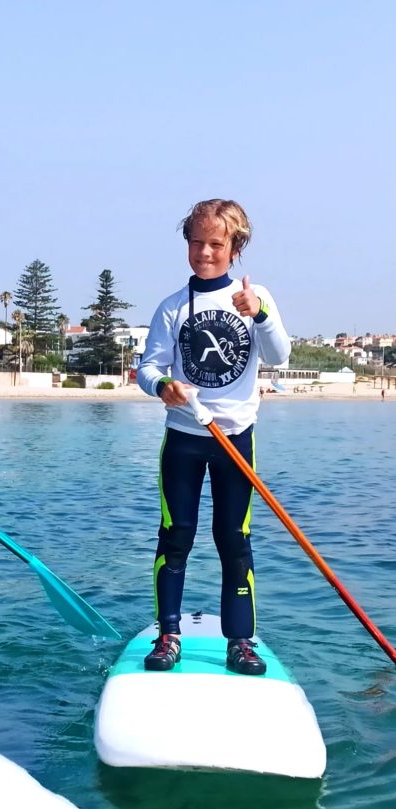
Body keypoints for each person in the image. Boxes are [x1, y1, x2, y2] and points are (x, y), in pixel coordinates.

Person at [137, 199, 291, 676]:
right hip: (184, 437)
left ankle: (240, 642)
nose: (205, 252)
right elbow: (148, 369)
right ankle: (168, 634)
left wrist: (260, 313)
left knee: (233, 538)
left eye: (216, 244)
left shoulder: (253, 296)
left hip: (235, 439)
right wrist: (164, 386)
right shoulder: (171, 307)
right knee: (177, 534)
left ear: (235, 248)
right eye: (197, 242)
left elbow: (280, 356)